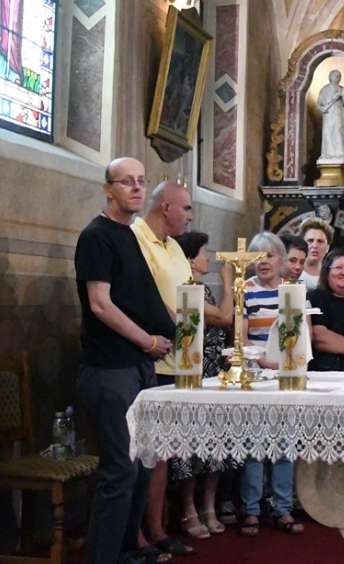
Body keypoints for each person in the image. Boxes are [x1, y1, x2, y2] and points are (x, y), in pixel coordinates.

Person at [74, 158, 175, 564]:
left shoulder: (129, 235)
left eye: (141, 181)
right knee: (119, 471)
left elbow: (141, 298)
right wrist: (147, 341)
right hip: (110, 369)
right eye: (126, 182)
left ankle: (128, 553)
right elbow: (100, 304)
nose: (135, 188)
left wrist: (181, 329)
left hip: (138, 367)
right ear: (107, 189)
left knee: (143, 464)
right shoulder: (96, 236)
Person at [130, 181, 195, 559]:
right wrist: (180, 332)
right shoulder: (137, 238)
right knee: (142, 452)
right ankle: (136, 533)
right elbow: (147, 298)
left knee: (162, 452)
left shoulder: (174, 246)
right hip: (152, 356)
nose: (190, 217)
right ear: (166, 207)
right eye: (186, 209)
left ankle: (155, 528)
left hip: (179, 358)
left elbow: (186, 297)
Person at [238, 231, 304, 539]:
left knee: (284, 444)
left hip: (286, 372)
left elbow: (302, 333)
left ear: (281, 260)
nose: (263, 262)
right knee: (254, 445)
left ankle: (283, 509)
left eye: (269, 255)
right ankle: (251, 510)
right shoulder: (246, 289)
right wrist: (263, 360)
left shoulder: (293, 290)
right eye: (257, 256)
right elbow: (241, 336)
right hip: (256, 372)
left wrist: (284, 361)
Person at [170, 231, 234, 540]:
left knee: (215, 444)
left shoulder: (204, 289)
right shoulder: (187, 290)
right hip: (192, 372)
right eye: (204, 253)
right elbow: (225, 317)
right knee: (190, 445)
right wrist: (229, 282)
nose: (208, 258)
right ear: (190, 260)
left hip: (213, 372)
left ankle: (209, 506)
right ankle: (189, 509)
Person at [316, 69, 344, 164]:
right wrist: (323, 108)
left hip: (338, 113)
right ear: (330, 77)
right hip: (328, 114)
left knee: (338, 130)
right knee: (328, 132)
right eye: (334, 76)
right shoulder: (325, 89)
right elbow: (319, 103)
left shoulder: (341, 89)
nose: (336, 78)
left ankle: (339, 154)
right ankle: (328, 154)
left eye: (338, 76)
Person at [298, 217, 333, 290]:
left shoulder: (332, 277)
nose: (315, 245)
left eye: (320, 241)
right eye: (310, 241)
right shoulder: (291, 273)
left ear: (327, 247)